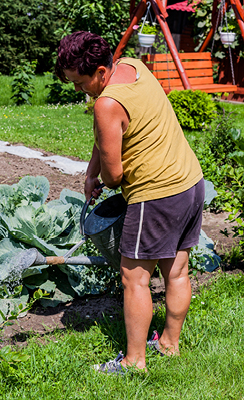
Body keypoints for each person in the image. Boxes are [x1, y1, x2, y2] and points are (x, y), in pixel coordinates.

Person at [55, 31, 204, 374]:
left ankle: (134, 362)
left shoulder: (105, 103)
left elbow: (115, 177)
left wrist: (102, 178)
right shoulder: (133, 66)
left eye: (80, 82)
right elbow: (109, 135)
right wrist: (91, 170)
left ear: (101, 74)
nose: (78, 90)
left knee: (133, 278)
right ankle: (169, 342)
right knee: (177, 270)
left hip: (157, 194)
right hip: (190, 182)